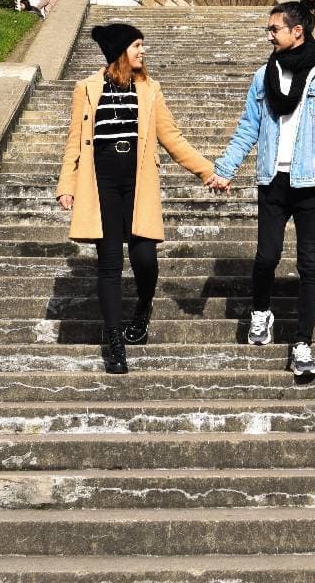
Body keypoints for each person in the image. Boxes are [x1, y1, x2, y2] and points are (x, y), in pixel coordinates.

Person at [206, 0, 315, 382]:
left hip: (312, 182)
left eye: (274, 29)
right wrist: (225, 169)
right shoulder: (264, 75)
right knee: (266, 257)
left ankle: (303, 344)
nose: (268, 35)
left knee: (309, 264)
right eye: (268, 29)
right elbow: (248, 126)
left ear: (297, 31)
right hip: (272, 179)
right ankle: (261, 312)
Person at [56, 23, 222, 374]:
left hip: (137, 181)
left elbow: (172, 137)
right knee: (110, 264)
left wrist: (206, 171)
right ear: (120, 50)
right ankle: (115, 343)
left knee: (145, 258)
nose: (142, 51)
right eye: (136, 45)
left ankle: (143, 307)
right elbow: (74, 141)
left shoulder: (149, 90)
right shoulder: (86, 88)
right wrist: (66, 185)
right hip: (100, 182)